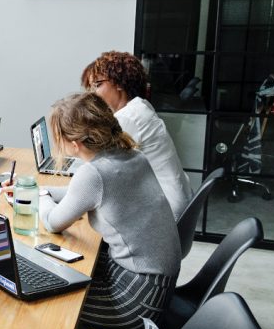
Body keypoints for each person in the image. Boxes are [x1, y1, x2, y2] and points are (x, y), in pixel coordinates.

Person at [39, 92, 181, 329]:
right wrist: (40, 191)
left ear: (75, 144)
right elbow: (81, 194)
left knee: (49, 296)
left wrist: (40, 197)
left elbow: (53, 222)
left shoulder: (93, 175)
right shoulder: (133, 156)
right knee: (63, 263)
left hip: (140, 299)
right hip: (159, 283)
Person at [81, 51, 192, 220]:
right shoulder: (140, 106)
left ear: (119, 83)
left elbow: (97, 168)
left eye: (97, 84)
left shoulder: (129, 118)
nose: (94, 93)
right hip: (173, 202)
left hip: (166, 213)